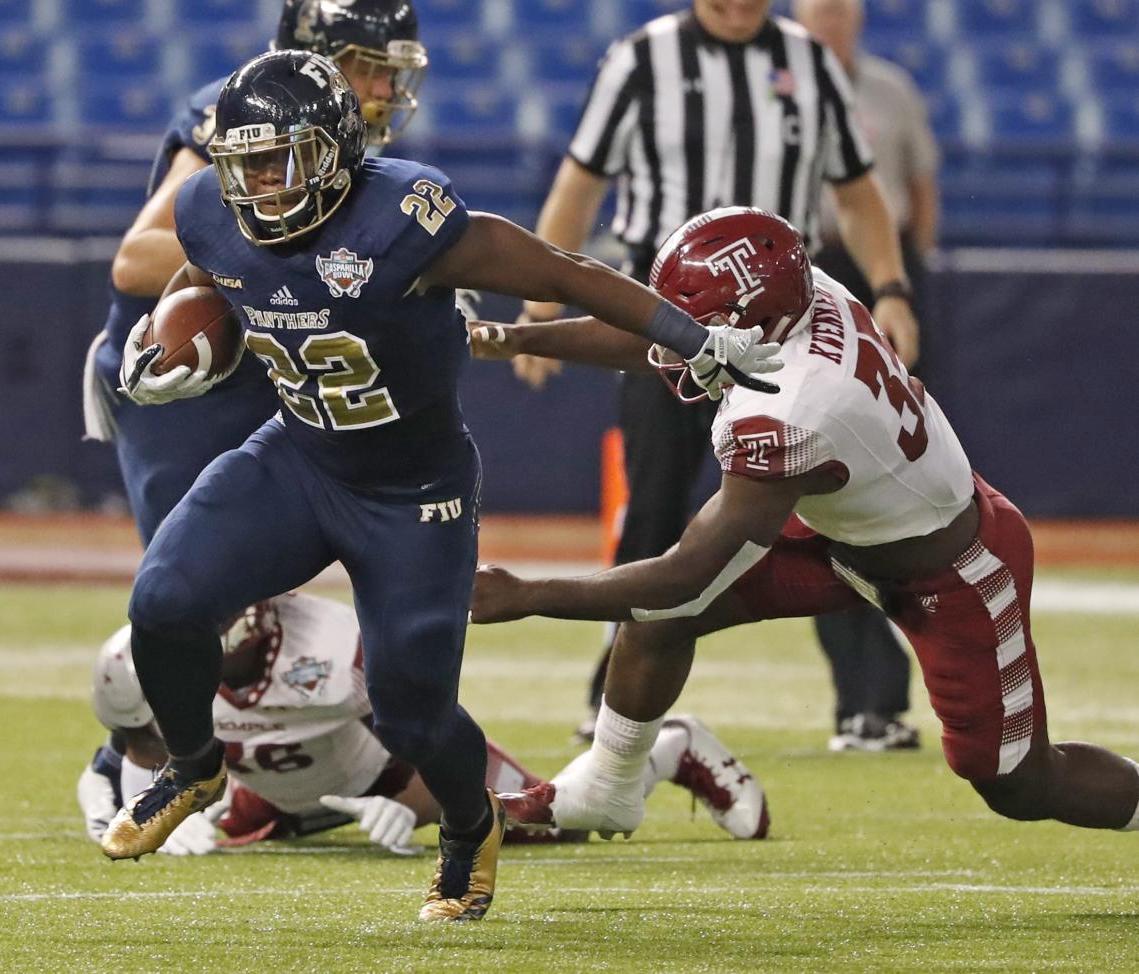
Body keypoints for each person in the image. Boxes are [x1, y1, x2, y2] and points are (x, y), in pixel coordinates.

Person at [98, 50, 780, 923]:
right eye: (243, 165)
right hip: (300, 455)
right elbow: (210, 276)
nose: (259, 185)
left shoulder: (404, 218)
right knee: (162, 599)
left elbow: (565, 272)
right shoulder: (206, 206)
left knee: (412, 713)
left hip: (412, 491)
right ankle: (194, 767)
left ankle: (467, 829)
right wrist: (177, 341)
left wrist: (696, 339)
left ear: (335, 148)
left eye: (278, 160)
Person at [468, 206, 1139, 842]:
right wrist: (508, 338)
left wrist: (527, 595)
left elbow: (684, 575)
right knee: (665, 617)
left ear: (750, 321)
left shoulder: (791, 409)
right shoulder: (799, 292)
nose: (675, 328)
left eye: (692, 318)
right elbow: (660, 334)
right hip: (846, 529)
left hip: (949, 569)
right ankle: (608, 784)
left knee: (1016, 783)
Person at [507, 0, 923, 747]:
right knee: (655, 510)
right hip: (661, 318)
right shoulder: (641, 58)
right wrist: (541, 309)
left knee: (826, 500)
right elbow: (580, 183)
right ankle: (618, 698)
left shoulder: (810, 61)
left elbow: (856, 192)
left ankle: (870, 703)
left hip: (783, 322)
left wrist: (890, 288)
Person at [83, 0, 429, 546]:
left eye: (392, 72)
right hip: (185, 371)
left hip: (265, 370)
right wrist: (278, 263)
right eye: (371, 67)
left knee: (255, 588)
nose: (386, 90)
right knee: (201, 595)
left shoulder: (339, 128)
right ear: (317, 55)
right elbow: (137, 258)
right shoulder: (248, 114)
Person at [77, 592, 769, 856]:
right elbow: (114, 764)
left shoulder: (330, 646)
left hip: (384, 766)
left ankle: (667, 749)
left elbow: (423, 725)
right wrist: (123, 814)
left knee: (550, 823)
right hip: (276, 793)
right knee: (213, 843)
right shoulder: (150, 665)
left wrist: (406, 802)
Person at [794, 0, 942, 751]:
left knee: (881, 481)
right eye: (817, 7)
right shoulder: (772, 79)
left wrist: (902, 278)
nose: (829, 18)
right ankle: (869, 697)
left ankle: (880, 698)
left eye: (838, 7)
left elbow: (914, 189)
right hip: (796, 274)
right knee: (813, 491)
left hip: (877, 275)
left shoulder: (889, 89)